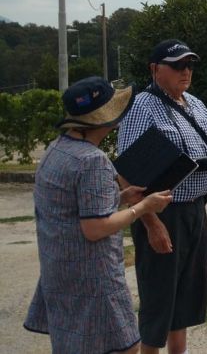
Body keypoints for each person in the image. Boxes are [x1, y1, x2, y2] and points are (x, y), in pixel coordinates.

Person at [24, 77, 173, 353]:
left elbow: (69, 209)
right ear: (106, 119)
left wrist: (120, 198)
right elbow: (95, 228)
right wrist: (143, 207)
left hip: (60, 273)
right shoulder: (93, 161)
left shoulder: (55, 151)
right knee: (126, 347)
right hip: (94, 279)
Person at [117, 39, 207, 354]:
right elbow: (126, 172)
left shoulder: (196, 104)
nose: (186, 71)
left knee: (184, 297)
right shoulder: (142, 107)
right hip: (161, 213)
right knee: (158, 296)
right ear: (155, 69)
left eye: (189, 65)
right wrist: (151, 223)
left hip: (195, 210)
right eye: (178, 65)